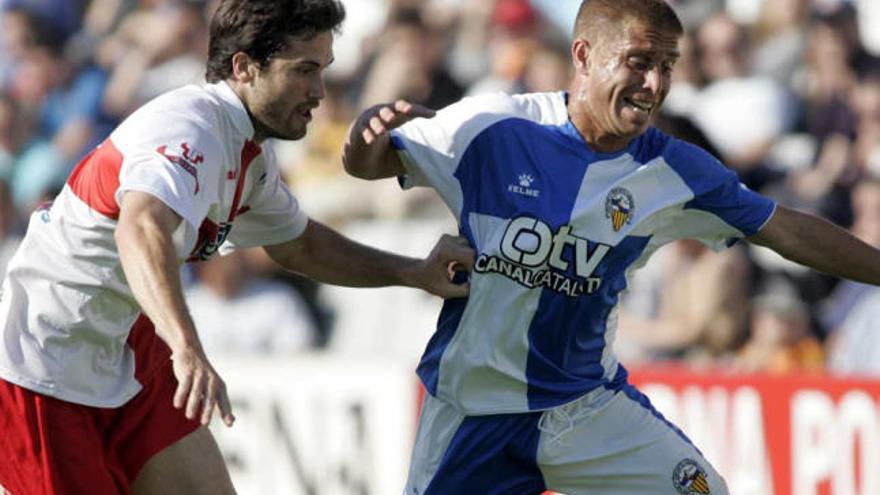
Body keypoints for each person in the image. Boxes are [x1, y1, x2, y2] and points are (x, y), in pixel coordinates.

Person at [343, 0, 880, 493]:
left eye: (667, 66)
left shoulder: (674, 169)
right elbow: (371, 164)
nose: (654, 83)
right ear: (584, 54)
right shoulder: (494, 127)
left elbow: (783, 228)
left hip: (585, 410)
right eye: (639, 61)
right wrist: (367, 131)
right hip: (470, 413)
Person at [0, 1, 474, 494]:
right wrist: (185, 347)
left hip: (124, 344)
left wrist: (415, 272)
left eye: (323, 71)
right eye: (303, 71)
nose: (317, 92)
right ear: (244, 67)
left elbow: (302, 246)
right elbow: (139, 227)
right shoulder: (191, 126)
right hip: (42, 359)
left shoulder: (248, 151)